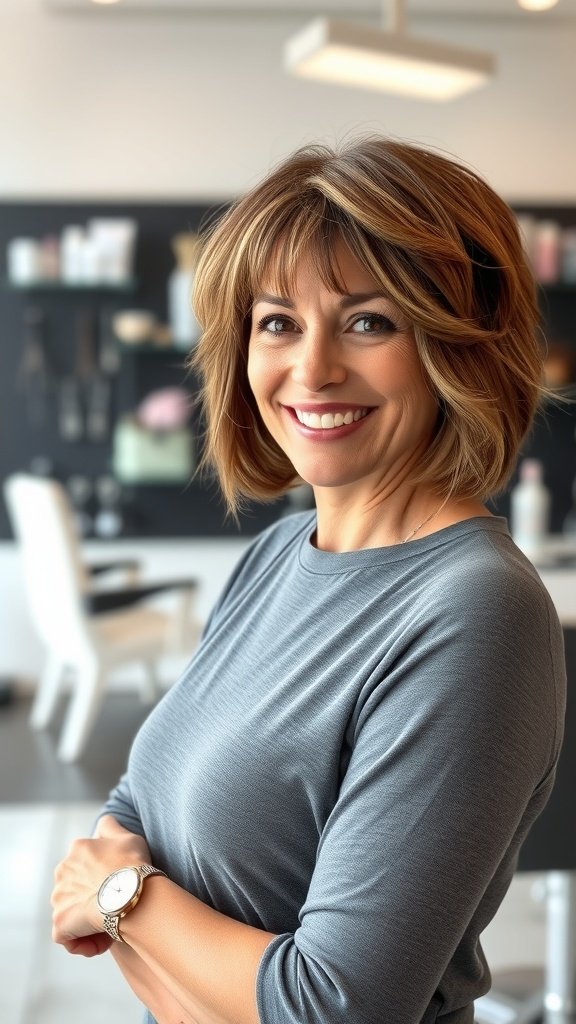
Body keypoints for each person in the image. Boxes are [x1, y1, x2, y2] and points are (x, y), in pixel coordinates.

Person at [51, 136, 566, 1024]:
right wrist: (156, 918)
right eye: (278, 321)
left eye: (369, 321)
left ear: (457, 348)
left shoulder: (475, 609)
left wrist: (127, 902)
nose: (312, 368)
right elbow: (141, 794)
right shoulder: (278, 554)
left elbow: (332, 1008)